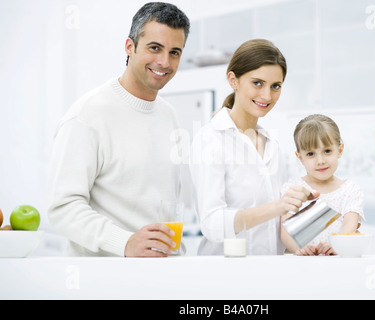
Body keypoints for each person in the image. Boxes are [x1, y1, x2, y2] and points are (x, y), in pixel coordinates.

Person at [47, 2, 190, 257]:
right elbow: (63, 208)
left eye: (175, 52)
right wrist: (124, 242)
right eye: (155, 48)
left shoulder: (170, 115)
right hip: (102, 282)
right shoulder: (86, 116)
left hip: (160, 276)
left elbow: (168, 208)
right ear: (130, 47)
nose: (164, 62)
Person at [190, 39, 318, 255]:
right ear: (233, 80)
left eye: (275, 86)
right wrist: (278, 206)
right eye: (257, 83)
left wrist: (307, 243)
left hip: (270, 274)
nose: (267, 96)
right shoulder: (210, 139)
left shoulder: (273, 146)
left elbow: (278, 225)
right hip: (226, 275)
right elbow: (212, 224)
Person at [281, 114, 365, 256]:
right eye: (311, 154)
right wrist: (297, 248)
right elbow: (284, 228)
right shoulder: (293, 189)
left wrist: (338, 245)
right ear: (300, 158)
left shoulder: (350, 190)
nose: (320, 161)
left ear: (339, 150)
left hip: (335, 261)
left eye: (327, 151)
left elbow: (349, 225)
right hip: (300, 264)